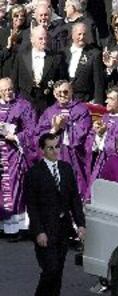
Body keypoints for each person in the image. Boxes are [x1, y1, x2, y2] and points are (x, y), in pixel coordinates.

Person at [24, 132, 86, 296]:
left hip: (63, 228)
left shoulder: (66, 169)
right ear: (42, 150)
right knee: (50, 269)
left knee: (58, 270)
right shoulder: (34, 174)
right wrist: (39, 231)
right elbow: (32, 206)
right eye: (50, 148)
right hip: (45, 229)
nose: (55, 151)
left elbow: (74, 199)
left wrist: (80, 224)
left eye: (57, 147)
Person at [37, 80, 92, 201]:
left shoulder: (81, 110)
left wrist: (66, 126)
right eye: (58, 93)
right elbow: (39, 133)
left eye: (65, 92)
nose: (62, 95)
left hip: (73, 156)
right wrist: (54, 128)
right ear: (54, 94)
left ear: (72, 91)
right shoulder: (49, 111)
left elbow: (84, 131)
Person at [0, 78, 37, 241]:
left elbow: (32, 130)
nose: (8, 92)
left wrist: (14, 136)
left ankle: (17, 228)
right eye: (3, 90)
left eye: (10, 89)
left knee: (13, 189)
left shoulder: (23, 105)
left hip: (13, 154)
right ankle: (3, 226)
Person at [12, 25, 66, 116]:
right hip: (25, 101)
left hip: (47, 103)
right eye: (40, 39)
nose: (44, 41)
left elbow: (60, 81)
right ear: (32, 39)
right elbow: (14, 79)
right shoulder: (21, 56)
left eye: (45, 38)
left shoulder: (55, 58)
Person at [62, 22, 105, 104]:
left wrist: (98, 103)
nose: (82, 37)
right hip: (64, 99)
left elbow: (98, 82)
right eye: (79, 34)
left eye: (84, 34)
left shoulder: (94, 54)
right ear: (72, 34)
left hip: (85, 100)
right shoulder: (63, 52)